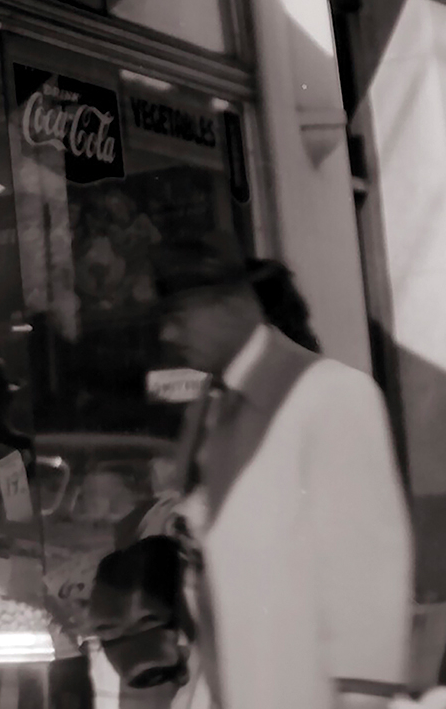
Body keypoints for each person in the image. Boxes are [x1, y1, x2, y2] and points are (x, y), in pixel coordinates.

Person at [153, 243, 412, 709]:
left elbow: (366, 574)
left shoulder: (334, 396)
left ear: (233, 304)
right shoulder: (211, 410)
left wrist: (362, 700)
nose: (169, 333)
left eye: (181, 313)